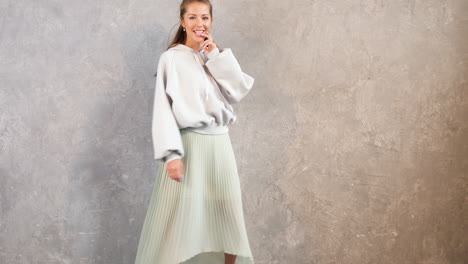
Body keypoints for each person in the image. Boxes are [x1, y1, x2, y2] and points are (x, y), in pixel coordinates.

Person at [134, 0, 255, 263]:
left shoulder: (214, 55)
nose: (199, 23)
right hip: (189, 147)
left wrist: (215, 56)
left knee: (228, 214)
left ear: (211, 21)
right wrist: (171, 154)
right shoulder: (171, 58)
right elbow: (163, 108)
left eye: (204, 17)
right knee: (180, 220)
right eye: (192, 17)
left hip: (220, 146)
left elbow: (239, 91)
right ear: (182, 21)